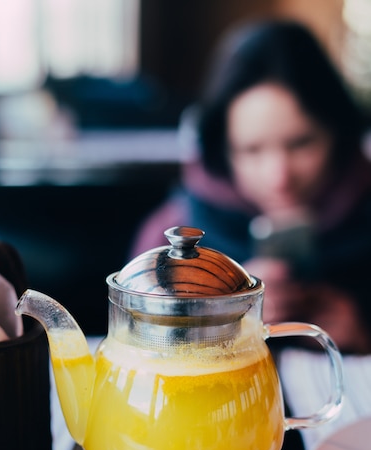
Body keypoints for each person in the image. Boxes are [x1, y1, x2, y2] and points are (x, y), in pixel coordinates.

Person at [129, 19, 371, 355]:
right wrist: (214, 321)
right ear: (222, 152)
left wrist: (362, 335)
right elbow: (135, 350)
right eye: (251, 150)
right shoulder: (166, 246)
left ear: (339, 134)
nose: (279, 177)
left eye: (301, 143)